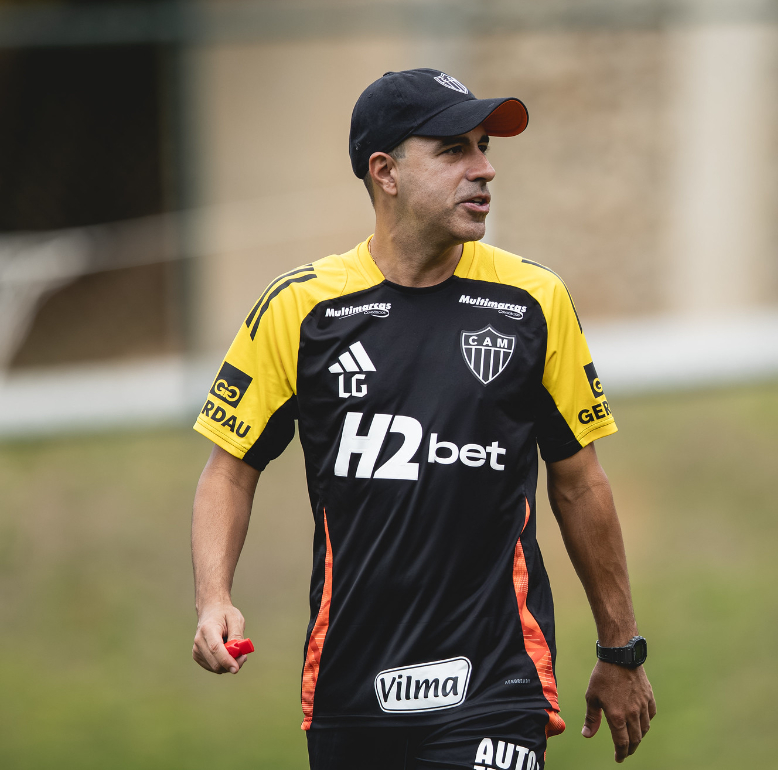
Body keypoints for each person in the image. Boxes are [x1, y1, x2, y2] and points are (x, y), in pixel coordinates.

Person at [189, 68, 655, 769]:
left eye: (484, 147)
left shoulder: (532, 301)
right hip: (349, 688)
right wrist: (213, 598)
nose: (485, 169)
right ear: (386, 172)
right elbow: (230, 470)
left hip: (496, 682)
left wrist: (621, 648)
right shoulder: (299, 309)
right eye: (454, 151)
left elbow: (580, 484)